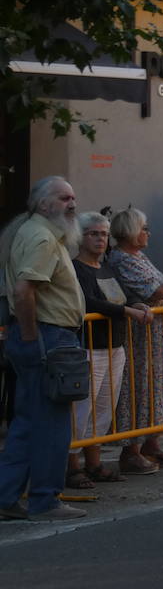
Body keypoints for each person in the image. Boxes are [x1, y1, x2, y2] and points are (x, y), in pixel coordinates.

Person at [0, 177, 90, 521]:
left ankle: (7, 496)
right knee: (52, 424)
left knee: (27, 421)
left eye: (73, 196)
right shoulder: (41, 237)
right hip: (49, 338)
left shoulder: (36, 234)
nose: (72, 204)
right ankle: (45, 499)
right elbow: (24, 291)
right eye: (64, 197)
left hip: (43, 336)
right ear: (43, 204)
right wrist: (28, 336)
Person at [109, 207, 163, 475]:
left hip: (156, 334)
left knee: (156, 385)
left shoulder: (137, 255)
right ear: (128, 232)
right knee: (141, 386)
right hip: (139, 335)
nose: (148, 232)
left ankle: (152, 441)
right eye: (143, 228)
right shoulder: (122, 259)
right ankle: (131, 451)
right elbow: (155, 291)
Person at [67, 212, 151, 490]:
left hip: (115, 346)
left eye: (103, 234)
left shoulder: (107, 267)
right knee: (81, 411)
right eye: (93, 233)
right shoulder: (75, 269)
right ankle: (72, 467)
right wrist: (127, 310)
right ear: (80, 237)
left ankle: (95, 463)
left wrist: (137, 304)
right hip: (89, 348)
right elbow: (89, 303)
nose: (100, 239)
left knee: (103, 410)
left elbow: (125, 292)